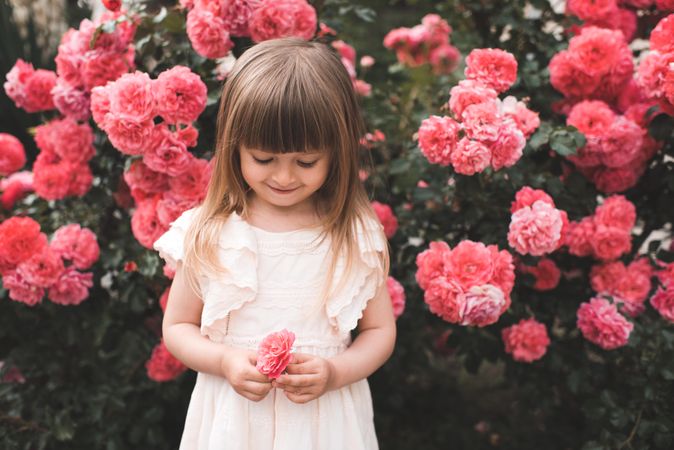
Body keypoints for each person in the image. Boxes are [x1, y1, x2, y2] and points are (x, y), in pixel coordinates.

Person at [154, 37, 396, 450]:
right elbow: (177, 327)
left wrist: (336, 372)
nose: (284, 177)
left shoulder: (350, 234)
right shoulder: (215, 233)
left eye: (305, 162)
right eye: (264, 159)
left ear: (335, 153)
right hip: (235, 422)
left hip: (325, 424)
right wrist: (224, 360)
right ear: (236, 148)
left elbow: (379, 332)